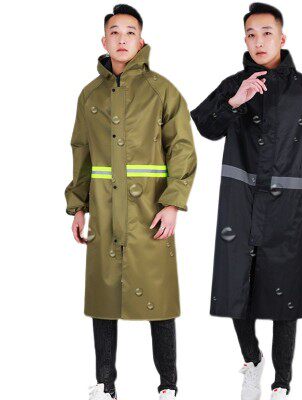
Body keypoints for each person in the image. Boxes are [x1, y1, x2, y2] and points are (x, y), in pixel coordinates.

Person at [190, 3, 302, 399]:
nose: (259, 41)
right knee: (235, 284)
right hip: (239, 200)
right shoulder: (234, 84)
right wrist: (235, 101)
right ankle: (252, 360)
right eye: (251, 34)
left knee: (284, 288)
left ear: (282, 37)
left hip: (286, 203)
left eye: (266, 33)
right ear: (245, 40)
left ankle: (281, 383)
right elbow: (204, 126)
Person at [64, 4, 197, 399]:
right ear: (104, 40)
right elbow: (82, 152)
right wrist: (78, 206)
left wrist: (173, 203)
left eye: (130, 32)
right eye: (115, 32)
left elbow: (182, 149)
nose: (122, 39)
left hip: (149, 212)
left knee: (160, 301)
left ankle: (168, 386)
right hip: (105, 212)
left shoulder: (162, 90)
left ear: (141, 41)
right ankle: (105, 386)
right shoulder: (89, 94)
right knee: (103, 301)